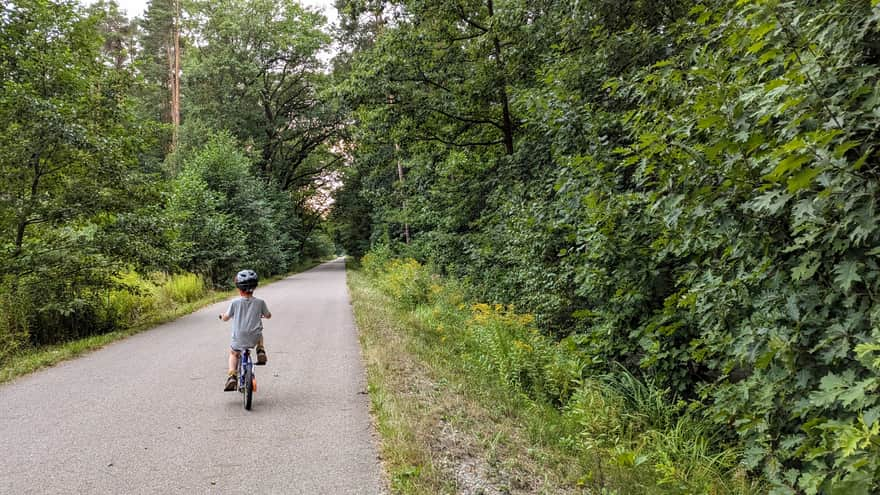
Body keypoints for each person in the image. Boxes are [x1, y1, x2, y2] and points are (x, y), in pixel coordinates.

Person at [219, 269, 271, 391]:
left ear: (238, 287)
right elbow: (268, 315)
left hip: (239, 337)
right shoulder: (260, 302)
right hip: (254, 337)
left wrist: (222, 316)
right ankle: (260, 350)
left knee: (233, 353)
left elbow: (226, 317)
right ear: (255, 287)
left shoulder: (235, 302)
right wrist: (266, 315)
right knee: (260, 333)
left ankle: (232, 376)